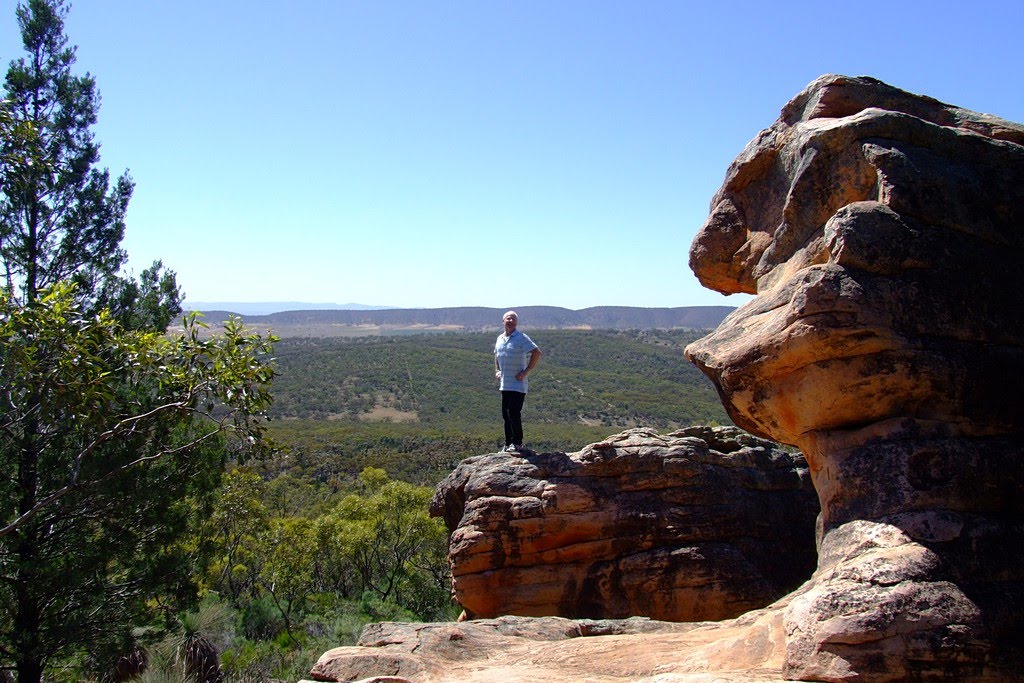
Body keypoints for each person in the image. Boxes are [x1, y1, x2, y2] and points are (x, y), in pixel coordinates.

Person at [493, 310, 541, 452]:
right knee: (506, 415)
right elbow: (496, 354)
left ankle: (518, 443)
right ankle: (508, 444)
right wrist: (497, 370)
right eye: (509, 318)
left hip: (518, 384)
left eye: (514, 319)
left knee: (513, 413)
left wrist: (526, 371)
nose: (511, 321)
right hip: (505, 384)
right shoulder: (500, 338)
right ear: (503, 321)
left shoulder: (521, 337)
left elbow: (537, 352)